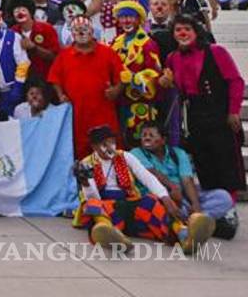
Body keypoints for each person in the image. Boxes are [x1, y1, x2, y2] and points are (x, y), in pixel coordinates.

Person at [73, 125, 212, 253]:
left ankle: (184, 236)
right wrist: (85, 182)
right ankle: (109, 233)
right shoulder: (86, 164)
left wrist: (166, 198)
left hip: (130, 204)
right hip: (108, 208)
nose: (110, 147)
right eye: (105, 144)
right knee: (92, 204)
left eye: (112, 142)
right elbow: (93, 198)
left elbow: (147, 177)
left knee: (151, 201)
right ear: (94, 147)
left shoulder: (126, 156)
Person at [161, 14, 246, 198]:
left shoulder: (216, 51)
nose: (183, 33)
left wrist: (233, 111)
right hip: (194, 115)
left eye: (187, 29)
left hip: (219, 111)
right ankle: (214, 204)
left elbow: (236, 81)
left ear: (196, 32)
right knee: (203, 161)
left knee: (225, 160)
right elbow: (174, 89)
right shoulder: (172, 58)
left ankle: (228, 207)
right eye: (178, 30)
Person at [131, 122, 237, 232]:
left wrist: (195, 205)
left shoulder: (179, 153)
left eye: (151, 135)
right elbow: (152, 173)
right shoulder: (136, 153)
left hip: (183, 195)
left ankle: (195, 219)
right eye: (144, 135)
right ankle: (196, 222)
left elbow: (187, 180)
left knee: (223, 197)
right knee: (165, 209)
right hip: (158, 197)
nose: (146, 138)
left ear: (163, 140)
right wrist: (172, 187)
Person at [48, 17, 128, 157]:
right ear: (72, 33)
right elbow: (54, 78)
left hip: (104, 112)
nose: (81, 33)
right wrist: (60, 95)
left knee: (111, 151)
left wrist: (116, 90)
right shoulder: (64, 55)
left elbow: (123, 76)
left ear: (92, 31)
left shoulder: (107, 52)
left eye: (85, 29)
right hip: (77, 114)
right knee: (81, 152)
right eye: (77, 30)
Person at [109, 0, 163, 143]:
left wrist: (134, 78)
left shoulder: (148, 44)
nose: (126, 20)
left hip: (140, 104)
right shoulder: (116, 42)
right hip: (119, 103)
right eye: (122, 17)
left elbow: (155, 73)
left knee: (140, 143)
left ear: (139, 19)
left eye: (130, 16)